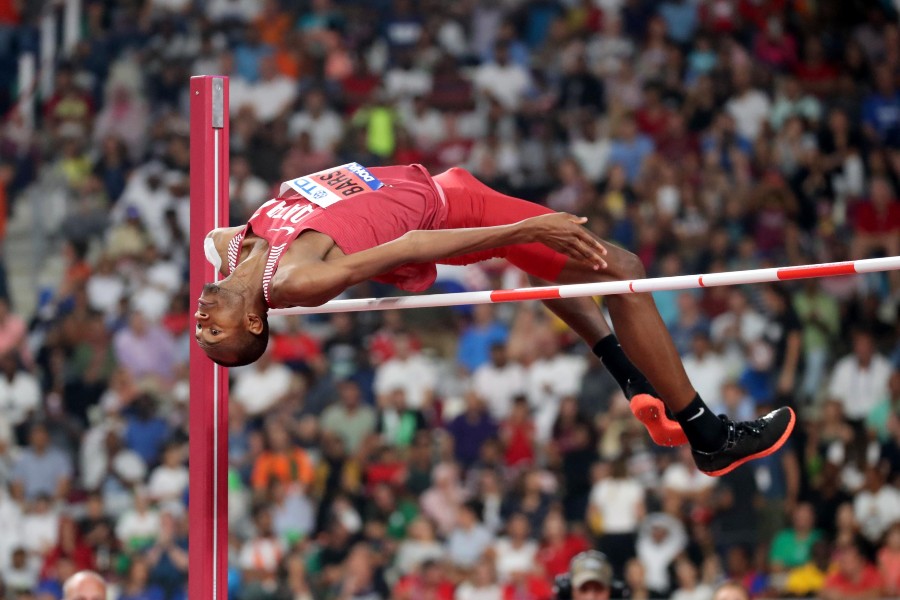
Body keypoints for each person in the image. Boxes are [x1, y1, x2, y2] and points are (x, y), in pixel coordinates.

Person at [196, 163, 795, 475]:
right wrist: (526, 226)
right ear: (255, 324)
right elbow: (405, 248)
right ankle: (708, 434)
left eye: (202, 330)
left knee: (545, 263)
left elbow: (212, 239)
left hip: (434, 188)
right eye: (213, 332)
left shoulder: (229, 248)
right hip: (447, 212)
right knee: (623, 270)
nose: (200, 321)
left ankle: (629, 374)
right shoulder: (296, 282)